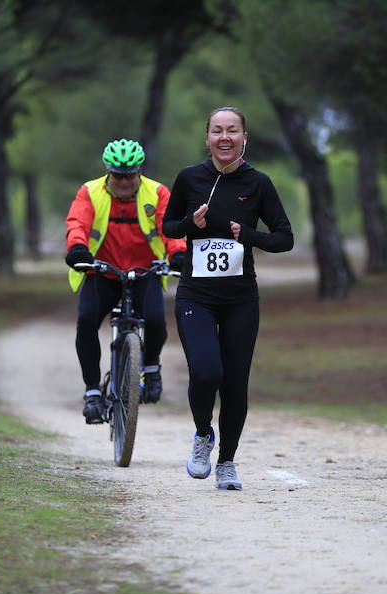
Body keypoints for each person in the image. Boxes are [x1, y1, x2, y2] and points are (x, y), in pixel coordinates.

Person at [162, 107, 293, 490]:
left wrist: (250, 235)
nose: (225, 137)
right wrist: (191, 225)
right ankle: (203, 435)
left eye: (232, 131)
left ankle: (228, 463)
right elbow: (168, 226)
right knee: (206, 372)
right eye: (217, 131)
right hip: (196, 294)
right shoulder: (190, 178)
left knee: (235, 383)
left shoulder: (259, 183)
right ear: (207, 138)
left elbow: (285, 238)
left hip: (240, 299)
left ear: (244, 138)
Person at [65, 139, 186, 424]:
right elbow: (77, 223)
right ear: (108, 171)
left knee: (156, 320)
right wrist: (77, 248)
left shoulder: (157, 192)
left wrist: (178, 252)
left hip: (145, 272)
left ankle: (152, 366)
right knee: (86, 321)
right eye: (117, 175)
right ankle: (93, 390)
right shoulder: (90, 192)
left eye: (129, 174)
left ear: (139, 171)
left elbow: (170, 226)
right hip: (102, 271)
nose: (123, 181)